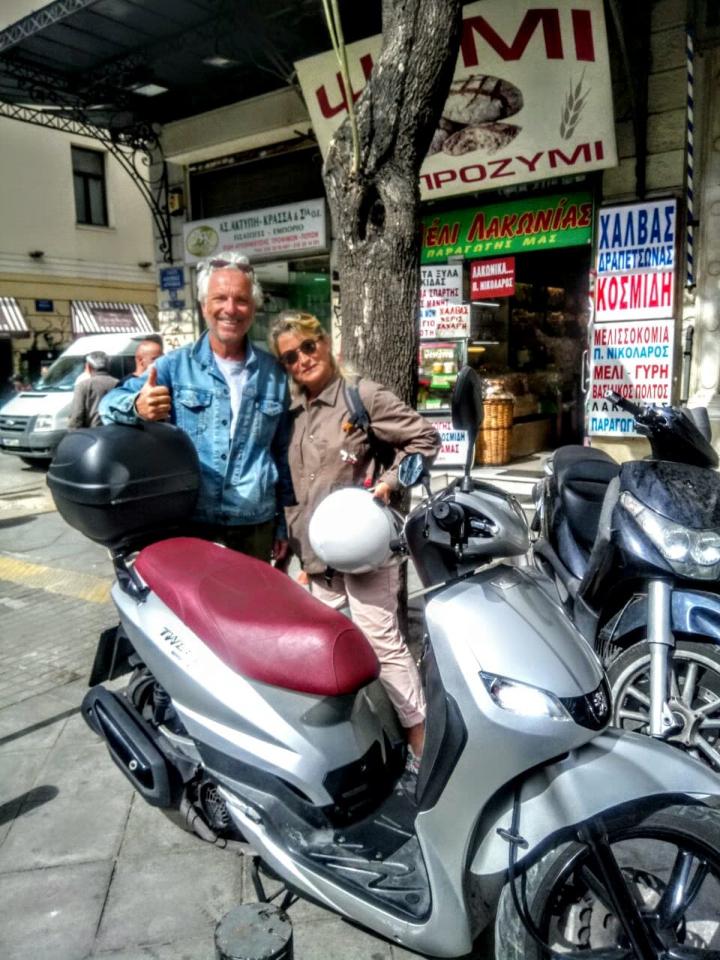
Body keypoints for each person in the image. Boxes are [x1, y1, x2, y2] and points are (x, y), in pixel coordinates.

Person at [269, 310, 441, 763]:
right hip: (315, 556)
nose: (303, 360)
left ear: (325, 343)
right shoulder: (290, 414)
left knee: (381, 642)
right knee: (323, 645)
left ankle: (422, 740)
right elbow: (291, 482)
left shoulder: (360, 396)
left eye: (308, 347)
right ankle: (353, 737)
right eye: (290, 357)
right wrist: (287, 540)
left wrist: (389, 484)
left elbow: (424, 438)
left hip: (364, 549)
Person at [100, 253, 293, 564]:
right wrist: (137, 405)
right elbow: (107, 404)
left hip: (255, 524)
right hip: (192, 523)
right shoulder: (174, 366)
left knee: (248, 598)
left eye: (241, 300)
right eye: (220, 298)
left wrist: (282, 522)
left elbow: (281, 452)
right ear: (204, 306)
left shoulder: (274, 373)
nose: (230, 309)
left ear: (254, 308)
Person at [68, 352, 118, 429]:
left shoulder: (83, 385)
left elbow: (76, 416)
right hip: (115, 432)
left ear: (88, 367)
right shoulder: (118, 384)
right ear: (108, 366)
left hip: (91, 433)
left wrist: (73, 433)